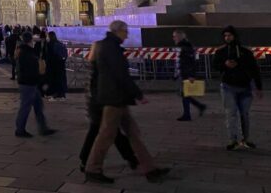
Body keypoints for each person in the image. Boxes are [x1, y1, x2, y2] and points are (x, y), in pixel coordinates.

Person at [84, 21, 169, 184]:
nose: (127, 34)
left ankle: (150, 169)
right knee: (106, 135)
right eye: (125, 31)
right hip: (114, 98)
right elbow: (120, 75)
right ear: (118, 31)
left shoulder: (108, 46)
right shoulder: (111, 48)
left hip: (117, 98)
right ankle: (92, 169)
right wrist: (138, 94)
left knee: (133, 134)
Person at [78, 40, 138, 173]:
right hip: (99, 105)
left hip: (97, 104)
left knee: (107, 133)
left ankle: (131, 158)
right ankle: (131, 158)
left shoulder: (94, 65)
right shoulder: (99, 67)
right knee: (111, 133)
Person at [213, 25, 262, 150]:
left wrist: (258, 87)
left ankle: (246, 139)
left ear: (235, 36)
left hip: (245, 87)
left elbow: (254, 70)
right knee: (231, 113)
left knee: (244, 114)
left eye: (229, 35)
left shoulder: (245, 52)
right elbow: (215, 66)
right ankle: (232, 140)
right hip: (228, 86)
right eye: (225, 35)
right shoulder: (221, 51)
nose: (227, 37)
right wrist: (225, 65)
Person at [14, 31, 57, 138]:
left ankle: (43, 128)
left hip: (29, 82)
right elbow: (32, 69)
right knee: (25, 107)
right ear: (30, 40)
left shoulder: (22, 51)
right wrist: (41, 79)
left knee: (38, 106)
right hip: (28, 83)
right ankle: (20, 130)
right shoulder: (27, 52)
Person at [173, 29, 206, 121]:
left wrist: (191, 75)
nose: (173, 38)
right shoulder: (182, 46)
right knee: (184, 94)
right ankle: (199, 107)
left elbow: (191, 62)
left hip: (185, 74)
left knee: (184, 94)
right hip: (183, 73)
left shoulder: (186, 46)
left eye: (175, 36)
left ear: (180, 37)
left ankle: (188, 114)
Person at [44, 31, 68, 100]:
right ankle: (62, 94)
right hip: (60, 65)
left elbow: (47, 56)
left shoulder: (49, 44)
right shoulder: (60, 44)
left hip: (52, 65)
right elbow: (65, 55)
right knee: (61, 79)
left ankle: (54, 94)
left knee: (53, 80)